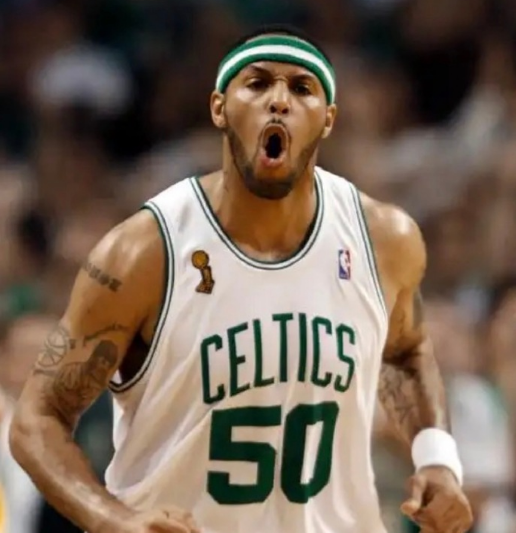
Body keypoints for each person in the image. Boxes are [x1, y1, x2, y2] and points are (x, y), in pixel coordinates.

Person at [9, 24, 473, 533]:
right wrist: (112, 520)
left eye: (302, 88)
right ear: (219, 108)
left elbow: (405, 352)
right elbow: (37, 419)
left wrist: (437, 459)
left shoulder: (383, 240)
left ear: (328, 120)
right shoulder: (145, 252)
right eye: (257, 83)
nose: (279, 101)